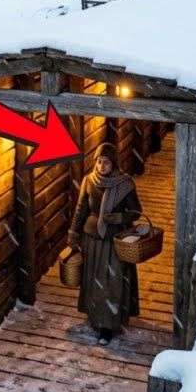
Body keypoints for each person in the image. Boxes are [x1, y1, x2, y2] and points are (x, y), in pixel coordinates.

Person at [68, 143, 142, 345]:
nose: (101, 166)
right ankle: (96, 316)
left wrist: (118, 218)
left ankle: (108, 325)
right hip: (92, 240)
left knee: (112, 282)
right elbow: (81, 210)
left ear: (114, 163)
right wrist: (74, 234)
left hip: (114, 242)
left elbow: (136, 212)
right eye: (99, 161)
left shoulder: (125, 184)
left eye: (106, 162)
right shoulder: (89, 181)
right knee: (94, 281)